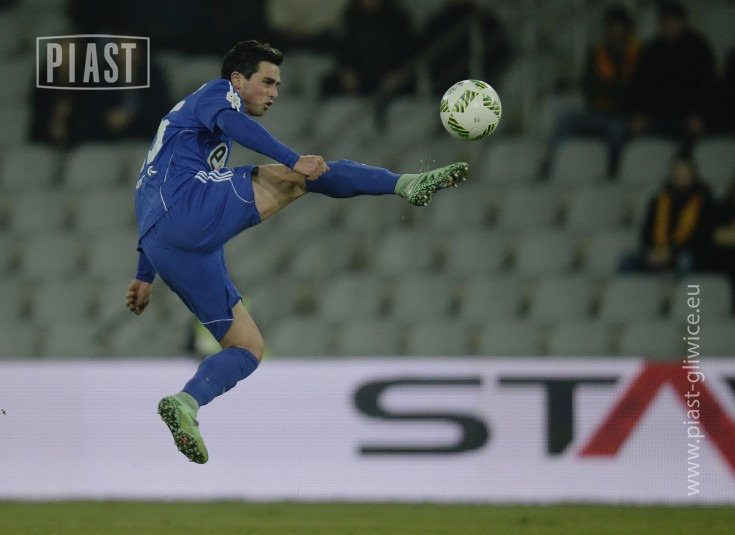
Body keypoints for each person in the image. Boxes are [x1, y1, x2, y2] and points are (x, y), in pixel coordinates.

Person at [125, 40, 468, 464]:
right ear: (238, 79)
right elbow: (232, 123)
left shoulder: (181, 133)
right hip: (186, 209)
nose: (274, 93)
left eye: (278, 85)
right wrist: (292, 158)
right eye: (267, 82)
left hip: (165, 243)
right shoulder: (217, 93)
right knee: (301, 176)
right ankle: (404, 184)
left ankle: (186, 402)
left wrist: (145, 272)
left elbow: (147, 195)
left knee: (247, 348)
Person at [550, 5, 639, 173]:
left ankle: (613, 168)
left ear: (627, 29)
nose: (615, 32)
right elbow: (588, 86)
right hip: (597, 111)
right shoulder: (597, 53)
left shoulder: (637, 54)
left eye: (619, 27)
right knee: (565, 119)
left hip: (621, 114)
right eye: (611, 27)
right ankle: (553, 163)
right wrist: (604, 97)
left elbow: (635, 90)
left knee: (617, 129)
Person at [628, 1, 716, 150]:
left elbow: (707, 86)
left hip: (689, 116)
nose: (669, 25)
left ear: (683, 23)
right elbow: (640, 85)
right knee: (639, 138)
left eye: (674, 21)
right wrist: (640, 114)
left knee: (693, 137)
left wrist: (700, 114)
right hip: (656, 116)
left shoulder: (698, 48)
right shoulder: (651, 51)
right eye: (665, 21)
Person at [618, 153, 714, 276]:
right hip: (657, 251)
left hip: (683, 252)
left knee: (686, 260)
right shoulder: (660, 200)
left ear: (693, 174)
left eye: (685, 173)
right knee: (627, 260)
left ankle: (687, 289)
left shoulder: (703, 201)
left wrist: (672, 252)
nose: (681, 176)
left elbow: (701, 235)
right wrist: (652, 251)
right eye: (678, 172)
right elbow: (646, 231)